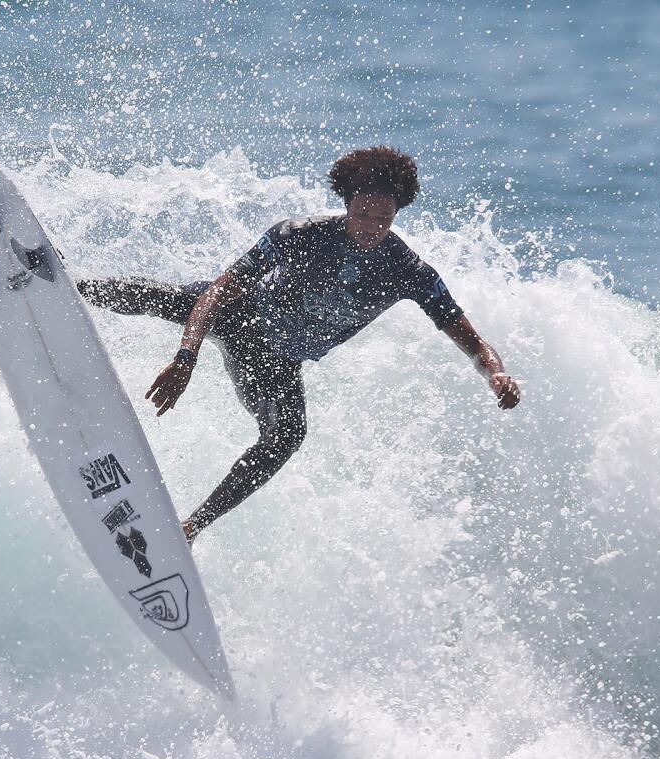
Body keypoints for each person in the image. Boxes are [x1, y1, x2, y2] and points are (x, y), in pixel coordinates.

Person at [78, 146, 520, 543]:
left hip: (277, 363)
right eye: (363, 214)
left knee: (287, 436)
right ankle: (66, 285)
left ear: (396, 215)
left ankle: (190, 527)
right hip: (240, 315)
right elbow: (216, 293)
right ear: (348, 204)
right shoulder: (299, 235)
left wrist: (495, 374)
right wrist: (185, 358)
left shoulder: (409, 272)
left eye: (383, 219)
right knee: (165, 297)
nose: (371, 227)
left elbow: (475, 344)